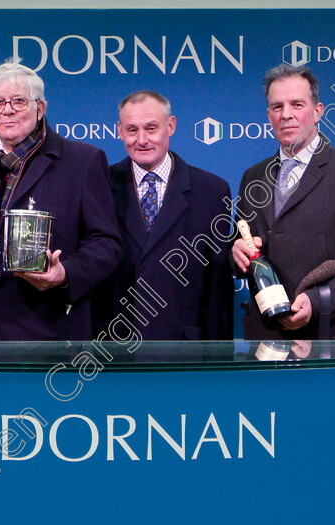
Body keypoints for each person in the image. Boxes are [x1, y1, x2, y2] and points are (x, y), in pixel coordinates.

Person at [0, 60, 122, 340]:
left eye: (19, 101)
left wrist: (65, 273)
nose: (8, 110)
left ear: (40, 108)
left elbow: (107, 243)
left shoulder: (82, 161)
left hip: (47, 327)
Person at [231, 63, 335, 339]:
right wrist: (236, 256)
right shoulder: (253, 177)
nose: (286, 115)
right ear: (268, 116)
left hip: (328, 337)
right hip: (265, 339)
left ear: (318, 112)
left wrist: (319, 301)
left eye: (297, 104)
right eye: (277, 107)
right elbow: (241, 249)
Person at [93, 90, 233, 340]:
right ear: (119, 131)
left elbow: (218, 286)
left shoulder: (212, 191)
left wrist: (218, 355)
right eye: (132, 130)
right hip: (113, 348)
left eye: (151, 128)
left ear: (171, 126)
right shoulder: (98, 185)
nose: (142, 139)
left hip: (183, 349)